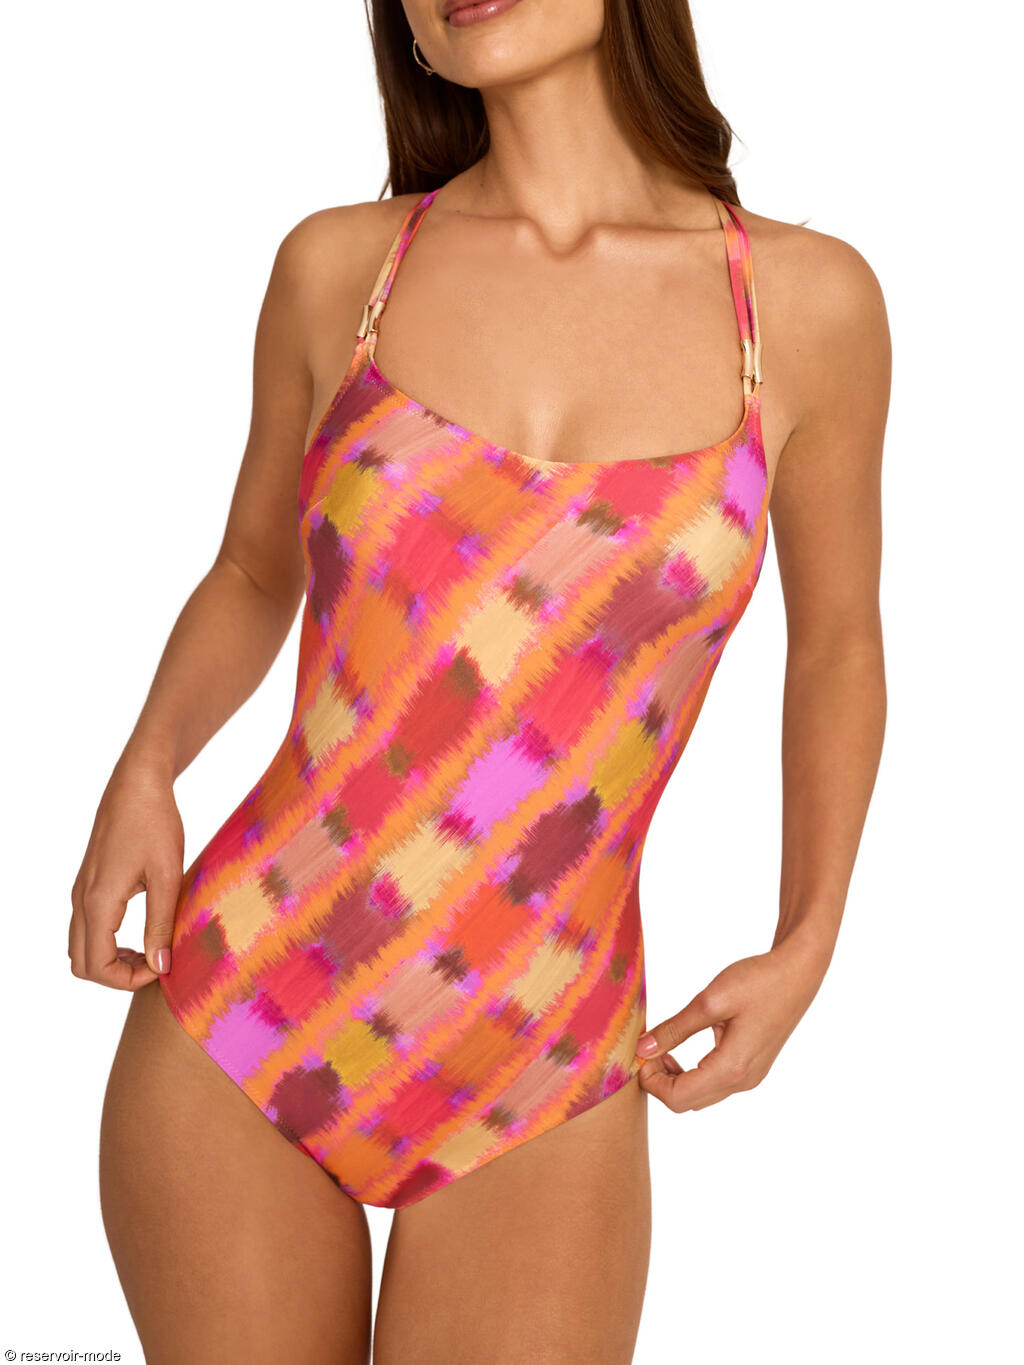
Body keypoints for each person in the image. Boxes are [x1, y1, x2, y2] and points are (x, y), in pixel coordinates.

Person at [70, 1, 889, 1360]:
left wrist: (809, 936)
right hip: (244, 1003)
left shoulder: (806, 307)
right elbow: (255, 572)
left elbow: (841, 645)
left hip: (546, 1061)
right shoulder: (342, 268)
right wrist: (145, 764)